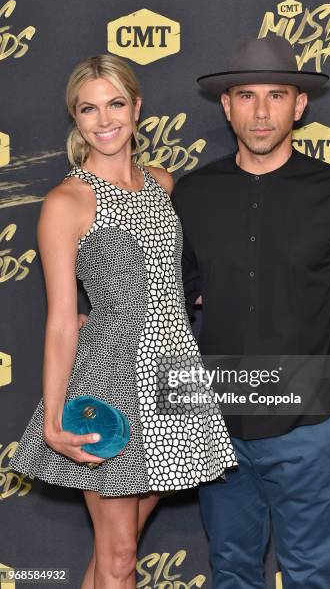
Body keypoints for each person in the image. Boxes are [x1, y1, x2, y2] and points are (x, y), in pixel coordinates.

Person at [9, 53, 237, 589]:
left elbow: (180, 275)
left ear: (136, 107)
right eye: (89, 108)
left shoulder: (163, 183)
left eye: (115, 103)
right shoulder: (68, 201)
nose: (104, 119)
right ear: (76, 117)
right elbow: (64, 320)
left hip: (173, 378)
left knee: (119, 547)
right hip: (110, 379)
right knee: (120, 559)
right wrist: (52, 419)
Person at [172, 35, 330, 588]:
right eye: (246, 96)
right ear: (227, 106)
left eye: (277, 95)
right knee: (231, 573)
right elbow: (176, 300)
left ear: (299, 104)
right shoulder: (193, 194)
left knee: (312, 576)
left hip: (308, 429)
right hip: (217, 430)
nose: (261, 111)